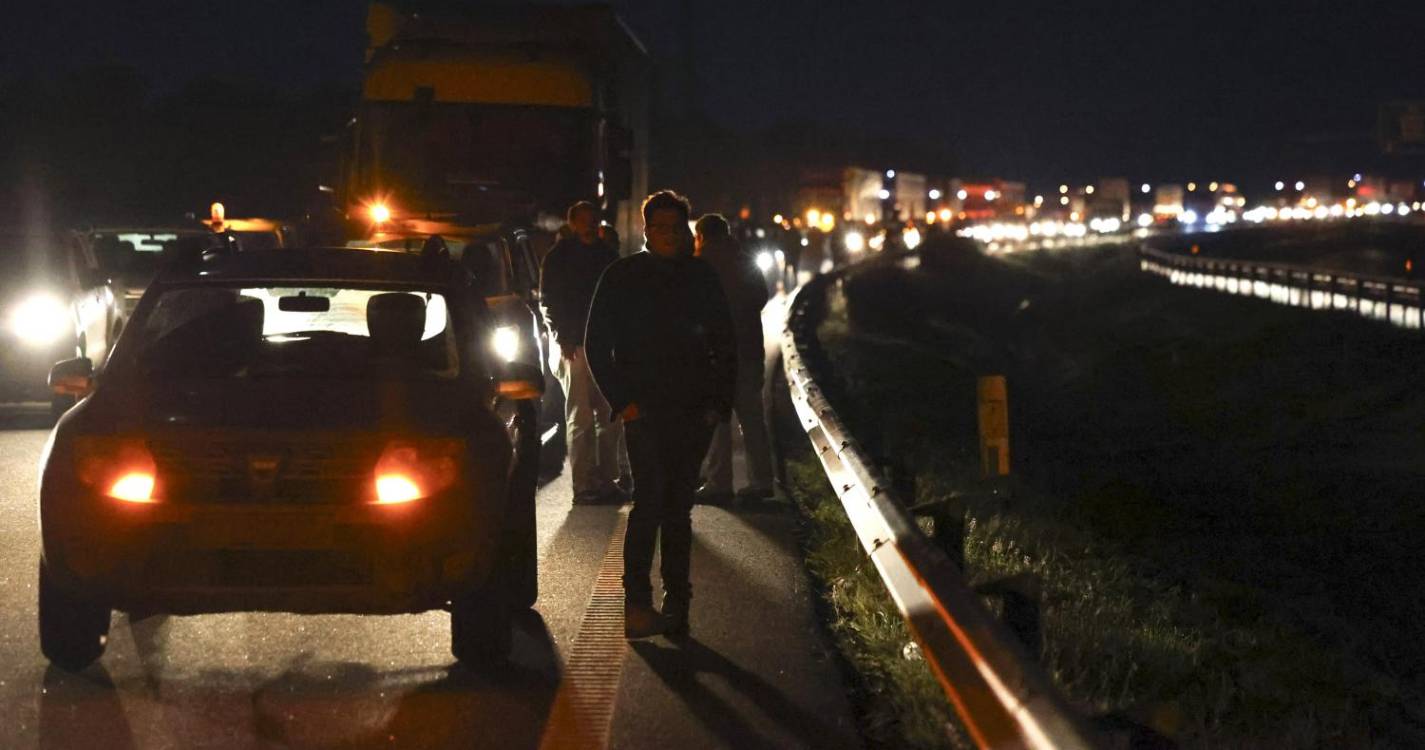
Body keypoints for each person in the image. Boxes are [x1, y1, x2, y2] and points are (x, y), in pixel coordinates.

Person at [584, 191, 737, 638]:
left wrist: (717, 405)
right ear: (646, 229)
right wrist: (623, 402)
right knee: (649, 503)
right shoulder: (622, 275)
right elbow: (597, 344)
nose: (668, 235)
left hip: (693, 411)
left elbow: (725, 343)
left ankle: (678, 603)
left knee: (678, 509)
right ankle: (637, 604)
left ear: (686, 230)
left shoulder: (701, 276)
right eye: (659, 227)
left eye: (676, 227)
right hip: (644, 411)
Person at [540, 201, 626, 505]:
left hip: (601, 344)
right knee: (581, 415)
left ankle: (605, 479)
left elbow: (618, 300)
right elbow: (549, 299)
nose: (590, 225)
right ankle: (584, 483)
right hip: (573, 344)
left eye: (593, 220)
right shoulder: (560, 256)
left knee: (608, 415)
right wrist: (562, 335)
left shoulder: (606, 255)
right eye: (585, 220)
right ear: (573, 222)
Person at [692, 214, 775, 505]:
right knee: (752, 419)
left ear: (700, 236)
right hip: (749, 351)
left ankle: (719, 483)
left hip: (713, 356)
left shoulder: (698, 265)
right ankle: (762, 481)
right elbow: (762, 297)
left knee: (717, 419)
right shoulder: (745, 261)